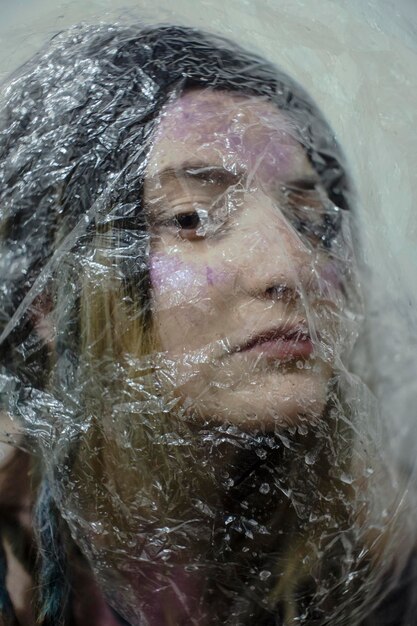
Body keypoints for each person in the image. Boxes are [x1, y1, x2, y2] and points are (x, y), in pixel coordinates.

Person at [0, 23, 415, 626]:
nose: (295, 263)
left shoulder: (365, 541)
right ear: (47, 301)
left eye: (312, 220)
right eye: (191, 217)